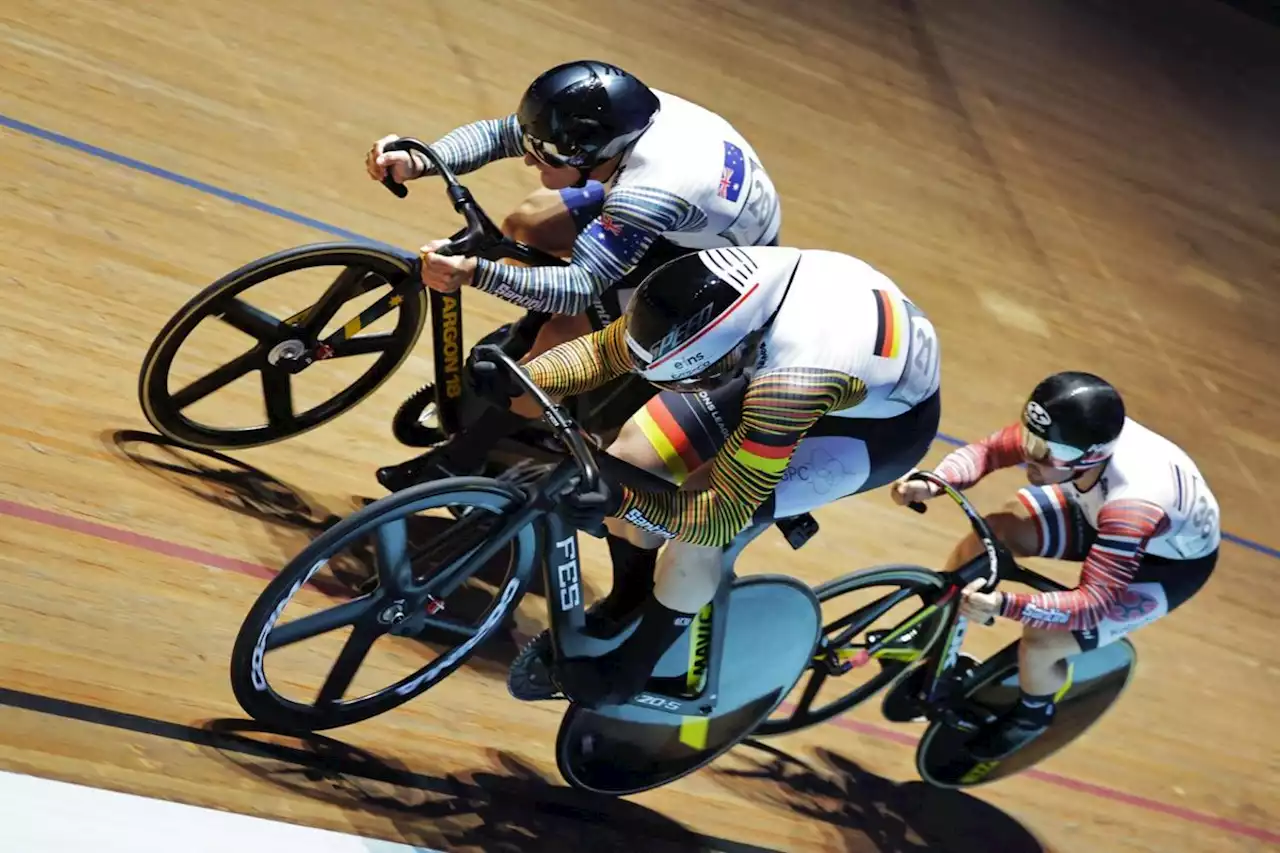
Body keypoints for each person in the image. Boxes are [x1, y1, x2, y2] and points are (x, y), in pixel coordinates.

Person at [471, 245, 943, 708]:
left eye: (687, 380)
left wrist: (625, 502)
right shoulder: (707, 285)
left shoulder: (789, 386)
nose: (677, 391)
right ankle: (629, 598)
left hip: (874, 431)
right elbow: (608, 351)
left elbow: (718, 514)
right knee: (632, 454)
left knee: (696, 520)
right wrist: (526, 375)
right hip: (805, 348)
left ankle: (632, 671)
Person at [365, 59, 782, 389]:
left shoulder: (646, 191)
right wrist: (419, 160)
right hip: (689, 212)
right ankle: (538, 320)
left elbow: (579, 288)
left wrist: (476, 275)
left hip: (712, 265)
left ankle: (502, 439)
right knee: (527, 223)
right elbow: (501, 135)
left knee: (553, 350)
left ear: (589, 155)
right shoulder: (614, 118)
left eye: (544, 155)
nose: (529, 159)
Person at [891, 372, 1220, 761]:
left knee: (1043, 639)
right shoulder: (1069, 433)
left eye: (1044, 453)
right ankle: (935, 632)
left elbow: (1093, 603)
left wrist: (1003, 604)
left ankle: (1033, 715)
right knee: (993, 535)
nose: (1030, 457)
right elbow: (991, 450)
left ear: (1089, 457)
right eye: (1031, 440)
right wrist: (934, 480)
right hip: (1099, 514)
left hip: (1164, 564)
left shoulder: (1132, 503)